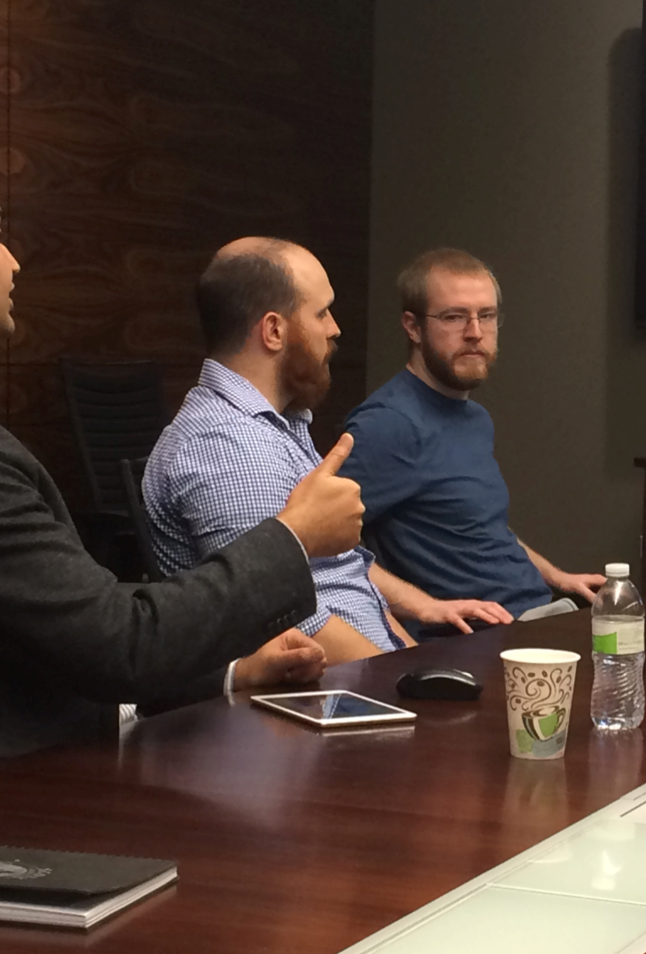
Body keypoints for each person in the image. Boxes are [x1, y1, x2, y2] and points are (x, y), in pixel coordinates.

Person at [0, 135, 364, 797]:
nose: (15, 261)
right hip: (0, 814)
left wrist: (229, 673)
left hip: (39, 773)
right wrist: (294, 536)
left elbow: (63, 620)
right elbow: (118, 645)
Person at [144, 238, 512, 664]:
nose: (334, 327)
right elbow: (288, 615)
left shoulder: (275, 430)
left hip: (372, 681)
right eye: (321, 312)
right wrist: (413, 690)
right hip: (323, 705)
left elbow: (345, 574)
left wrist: (416, 654)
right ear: (274, 330)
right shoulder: (229, 447)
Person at [341, 248, 603, 617]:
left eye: (487, 316)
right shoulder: (388, 424)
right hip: (470, 643)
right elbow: (319, 546)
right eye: (454, 317)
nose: (475, 333)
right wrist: (426, 607)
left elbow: (480, 528)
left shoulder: (475, 418)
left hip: (535, 614)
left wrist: (557, 577)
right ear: (413, 327)